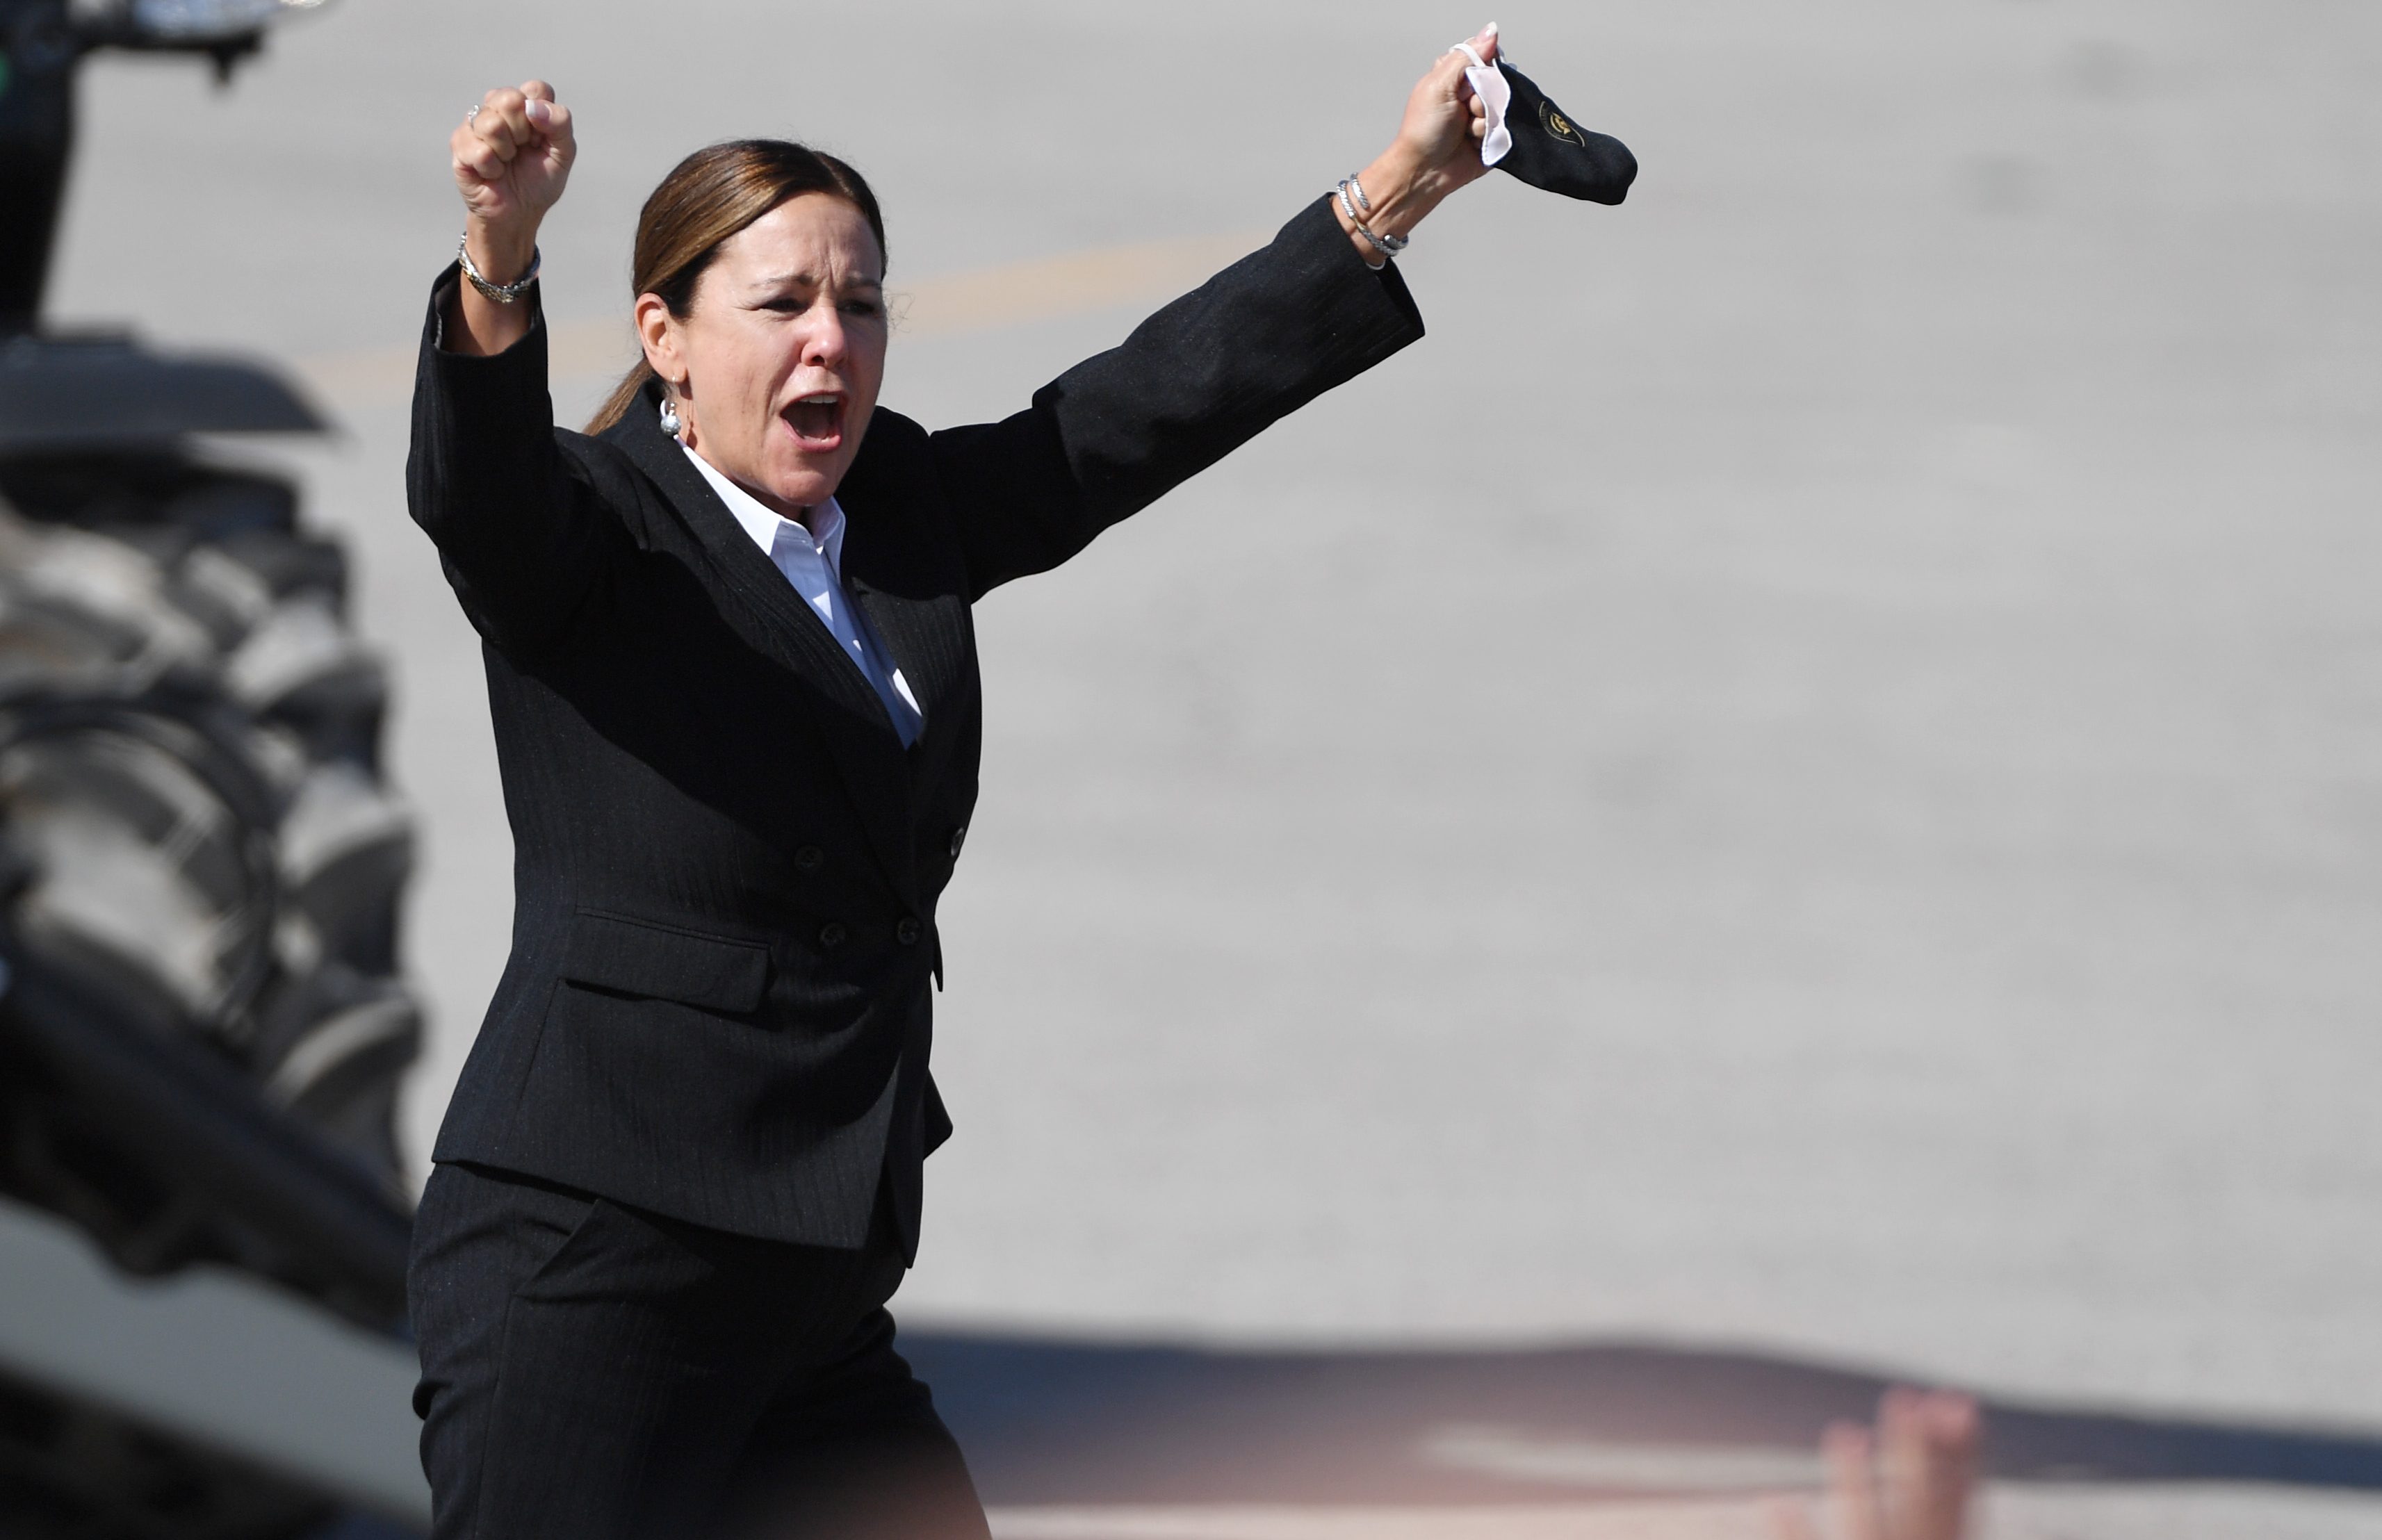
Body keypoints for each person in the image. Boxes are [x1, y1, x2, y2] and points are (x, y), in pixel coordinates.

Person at [403, 24, 1511, 1540]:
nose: (831, 342)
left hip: (812, 1278)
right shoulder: (594, 535)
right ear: (663, 337)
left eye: (859, 305)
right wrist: (500, 260)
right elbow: (478, 491)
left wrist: (1392, 195)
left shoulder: (898, 509)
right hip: (599, 1263)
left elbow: (1126, 417)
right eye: (782, 303)